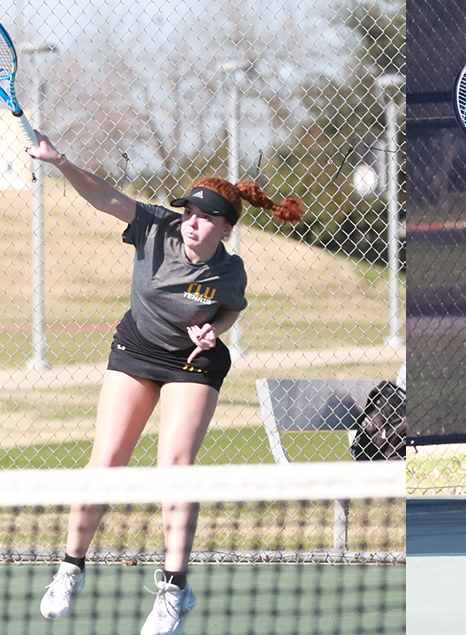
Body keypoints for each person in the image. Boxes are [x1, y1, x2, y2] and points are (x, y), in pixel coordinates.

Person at [24, 130, 302, 635]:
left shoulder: (229, 270)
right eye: (188, 213)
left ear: (226, 226)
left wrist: (212, 331)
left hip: (194, 364)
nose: (192, 223)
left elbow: (231, 312)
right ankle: (71, 568)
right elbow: (106, 197)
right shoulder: (155, 225)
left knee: (174, 466)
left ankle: (173, 588)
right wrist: (57, 159)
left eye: (205, 217)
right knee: (106, 460)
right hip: (137, 348)